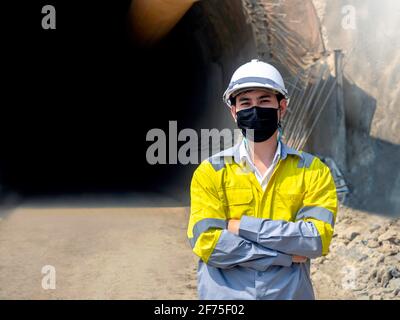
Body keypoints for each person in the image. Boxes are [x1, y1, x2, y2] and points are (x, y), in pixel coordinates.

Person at [187, 59, 338, 300]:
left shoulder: (313, 171)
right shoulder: (210, 172)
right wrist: (285, 255)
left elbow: (315, 240)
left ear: (282, 106)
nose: (255, 109)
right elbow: (209, 244)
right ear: (234, 111)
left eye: (265, 100)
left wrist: (239, 226)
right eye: (245, 102)